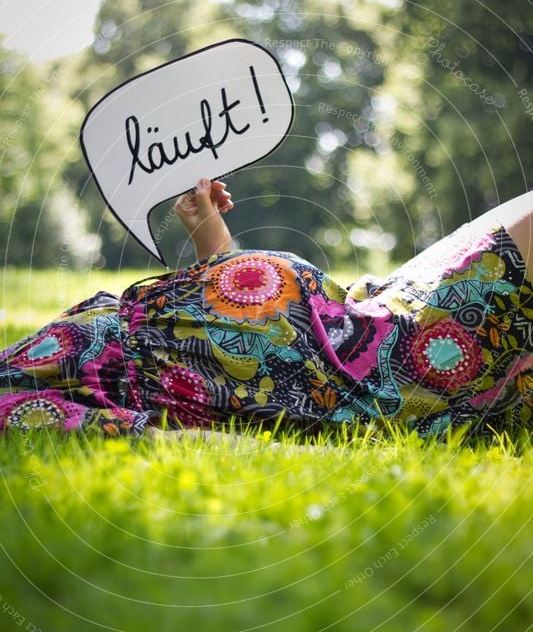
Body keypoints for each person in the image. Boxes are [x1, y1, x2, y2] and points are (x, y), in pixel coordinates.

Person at [0, 179, 531, 439]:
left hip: (363, 319)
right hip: (382, 367)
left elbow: (204, 334)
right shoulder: (11, 393)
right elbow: (174, 426)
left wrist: (207, 232)